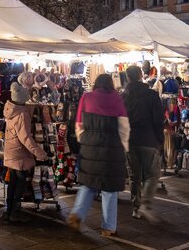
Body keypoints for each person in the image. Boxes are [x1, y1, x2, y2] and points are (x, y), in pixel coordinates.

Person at [67, 73, 130, 237]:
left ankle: (77, 215)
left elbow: (79, 124)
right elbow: (124, 126)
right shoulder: (117, 98)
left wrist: (84, 140)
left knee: (88, 183)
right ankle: (108, 227)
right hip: (112, 147)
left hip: (89, 145)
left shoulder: (87, 97)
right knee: (109, 189)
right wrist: (124, 146)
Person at [122, 65, 165, 221]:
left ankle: (136, 208)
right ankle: (145, 204)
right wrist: (160, 139)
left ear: (127, 77)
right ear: (141, 75)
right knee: (153, 174)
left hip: (130, 140)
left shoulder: (123, 96)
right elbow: (158, 120)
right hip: (148, 139)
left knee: (134, 176)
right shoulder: (151, 95)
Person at [2, 81, 48, 223]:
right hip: (20, 154)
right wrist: (41, 154)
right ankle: (14, 213)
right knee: (20, 184)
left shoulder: (10, 109)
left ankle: (9, 211)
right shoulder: (22, 114)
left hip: (11, 151)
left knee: (13, 183)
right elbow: (26, 138)